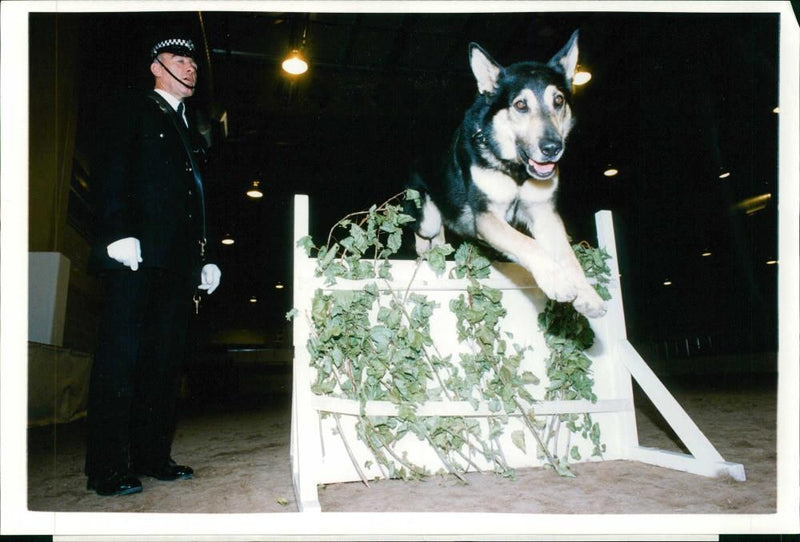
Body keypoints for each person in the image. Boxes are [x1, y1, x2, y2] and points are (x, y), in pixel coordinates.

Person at [85, 36, 221, 496]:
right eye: (180, 60)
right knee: (121, 360)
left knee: (163, 363)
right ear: (156, 68)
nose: (191, 68)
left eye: (194, 63)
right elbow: (112, 167)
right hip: (136, 256)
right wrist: (117, 231)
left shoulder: (191, 131)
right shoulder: (134, 109)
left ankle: (152, 455)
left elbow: (199, 200)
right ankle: (107, 467)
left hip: (178, 266)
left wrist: (207, 257)